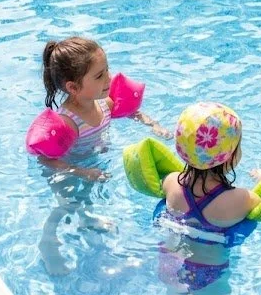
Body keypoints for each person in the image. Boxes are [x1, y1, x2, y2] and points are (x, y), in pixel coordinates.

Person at [37, 36, 168, 275]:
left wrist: (153, 125)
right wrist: (81, 172)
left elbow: (131, 112)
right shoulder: (68, 121)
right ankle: (48, 242)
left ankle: (87, 220)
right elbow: (46, 159)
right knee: (67, 205)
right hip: (67, 170)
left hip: (91, 165)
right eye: (99, 76)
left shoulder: (103, 104)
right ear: (73, 88)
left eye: (106, 70)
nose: (109, 78)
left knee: (85, 199)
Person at [157, 102, 261, 295]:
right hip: (209, 276)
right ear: (231, 155)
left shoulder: (171, 184)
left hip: (171, 264)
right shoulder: (236, 200)